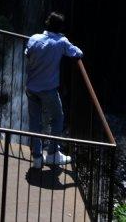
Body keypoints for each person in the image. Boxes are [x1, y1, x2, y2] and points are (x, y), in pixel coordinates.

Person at [25, 11, 83, 169]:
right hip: (48, 90)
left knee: (34, 121)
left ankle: (37, 158)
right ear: (60, 28)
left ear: (47, 23)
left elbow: (27, 54)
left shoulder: (33, 38)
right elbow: (77, 53)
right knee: (58, 118)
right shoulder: (61, 41)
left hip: (30, 87)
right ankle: (52, 154)